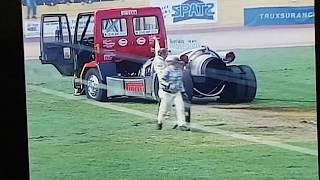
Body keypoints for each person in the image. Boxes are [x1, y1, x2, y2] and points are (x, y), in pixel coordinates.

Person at [156, 56, 190, 131]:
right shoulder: (167, 70)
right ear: (174, 63)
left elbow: (180, 82)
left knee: (180, 108)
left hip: (177, 92)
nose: (179, 64)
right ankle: (160, 122)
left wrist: (182, 91)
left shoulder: (179, 71)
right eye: (178, 63)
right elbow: (162, 80)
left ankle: (182, 125)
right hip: (167, 93)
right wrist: (168, 85)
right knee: (164, 109)